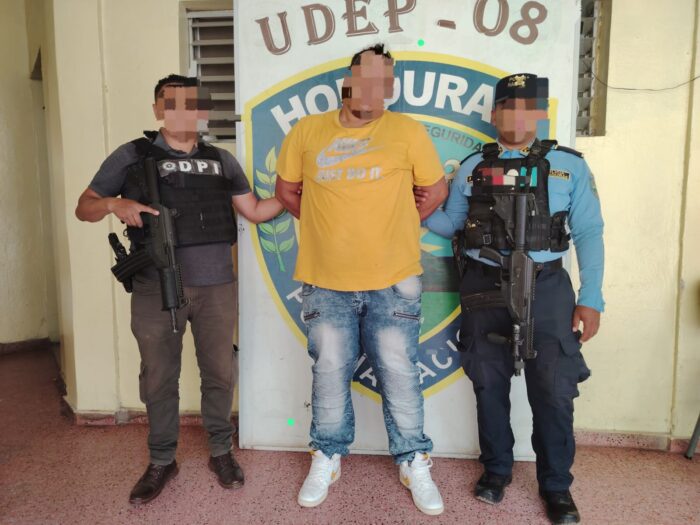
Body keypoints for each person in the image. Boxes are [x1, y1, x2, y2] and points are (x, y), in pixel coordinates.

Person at [75, 74, 283, 505]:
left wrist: (295, 188)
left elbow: (255, 211)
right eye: (172, 104)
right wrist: (115, 203)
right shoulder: (132, 155)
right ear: (158, 109)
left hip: (217, 286)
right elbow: (84, 207)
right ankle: (161, 459)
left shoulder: (222, 160)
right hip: (156, 287)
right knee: (159, 375)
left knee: (220, 371)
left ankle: (221, 451)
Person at [275, 44, 449, 515]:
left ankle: (413, 460)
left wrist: (399, 222)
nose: (372, 89)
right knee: (330, 371)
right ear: (347, 82)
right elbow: (287, 191)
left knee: (399, 372)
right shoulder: (307, 131)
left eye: (382, 81)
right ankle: (327, 456)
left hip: (394, 280)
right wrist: (323, 223)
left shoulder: (407, 131)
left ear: (390, 89)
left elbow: (435, 190)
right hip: (325, 279)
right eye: (364, 78)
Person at [423, 73, 604, 524]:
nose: (517, 117)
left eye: (527, 108)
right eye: (508, 107)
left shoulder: (569, 166)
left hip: (547, 288)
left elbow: (589, 232)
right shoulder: (472, 167)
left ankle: (556, 486)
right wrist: (418, 209)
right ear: (494, 114)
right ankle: (496, 471)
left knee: (554, 390)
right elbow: (452, 225)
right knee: (488, 382)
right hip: (484, 285)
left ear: (540, 114)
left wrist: (592, 298)